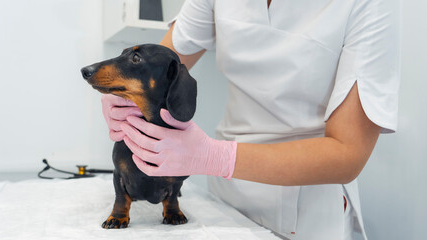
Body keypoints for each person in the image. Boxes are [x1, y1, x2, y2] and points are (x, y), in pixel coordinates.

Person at [101, 0, 400, 239]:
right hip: (226, 200)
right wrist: (122, 88)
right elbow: (162, 62)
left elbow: (348, 154)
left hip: (307, 211)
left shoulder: (368, 5)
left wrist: (215, 157)